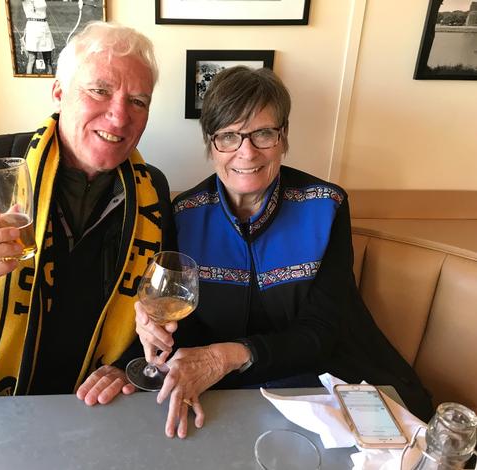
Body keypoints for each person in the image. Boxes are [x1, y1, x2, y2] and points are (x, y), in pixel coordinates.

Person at [133, 66, 434, 438]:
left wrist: (226, 356)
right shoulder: (184, 214)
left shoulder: (326, 206)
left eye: (262, 133)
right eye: (228, 136)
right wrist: (154, 328)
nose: (246, 152)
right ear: (211, 144)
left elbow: (323, 331)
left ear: (283, 137)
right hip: (226, 387)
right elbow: (186, 322)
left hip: (324, 375)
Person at [0, 21, 174, 401]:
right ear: (59, 93)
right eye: (100, 91)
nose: (120, 116)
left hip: (85, 399)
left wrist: (125, 363)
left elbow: (159, 309)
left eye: (138, 101)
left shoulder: (152, 190)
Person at [22, 0, 55, 74]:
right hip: (32, 27)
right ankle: (29, 80)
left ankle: (49, 79)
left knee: (48, 59)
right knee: (32, 59)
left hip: (44, 26)